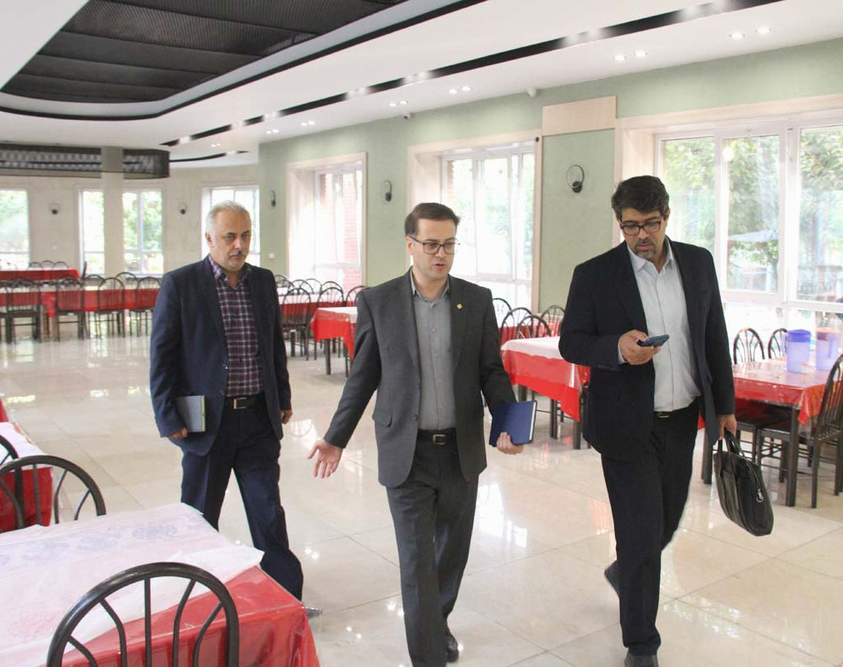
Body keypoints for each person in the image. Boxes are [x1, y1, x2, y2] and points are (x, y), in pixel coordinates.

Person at [308, 202, 522, 667]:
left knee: (451, 555)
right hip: (408, 452)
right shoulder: (379, 302)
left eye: (449, 245)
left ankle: (435, 622)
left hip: (461, 451)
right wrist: (336, 437)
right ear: (410, 244)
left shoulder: (476, 300)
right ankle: (428, 655)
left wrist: (509, 422)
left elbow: (491, 370)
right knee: (416, 562)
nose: (440, 254)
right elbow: (363, 376)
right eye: (431, 244)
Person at [558, 176, 736, 667]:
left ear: (667, 217)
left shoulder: (697, 263)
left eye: (650, 224)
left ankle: (627, 573)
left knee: (665, 522)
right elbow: (571, 342)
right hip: (625, 425)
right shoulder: (595, 274)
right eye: (630, 226)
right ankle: (641, 644)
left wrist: (725, 406)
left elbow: (714, 334)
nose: (641, 236)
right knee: (640, 535)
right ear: (619, 223)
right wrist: (616, 348)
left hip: (681, 422)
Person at [150, 200, 304, 600]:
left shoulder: (262, 281)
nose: (239, 245)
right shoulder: (181, 284)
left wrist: (282, 395)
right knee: (200, 515)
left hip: (257, 419)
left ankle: (285, 597)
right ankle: (193, 597)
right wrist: (167, 416)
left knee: (268, 512)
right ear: (209, 238)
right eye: (230, 237)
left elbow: (273, 345)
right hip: (205, 423)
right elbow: (162, 357)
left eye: (246, 235)